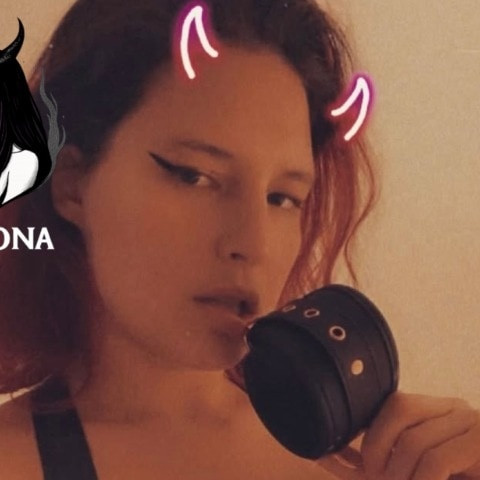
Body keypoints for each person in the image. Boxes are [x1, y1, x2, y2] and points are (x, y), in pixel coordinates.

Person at [0, 0, 478, 479]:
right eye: (194, 176)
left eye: (283, 198)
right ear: (72, 183)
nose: (254, 243)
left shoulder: (371, 463)